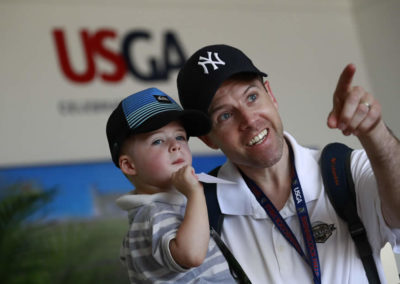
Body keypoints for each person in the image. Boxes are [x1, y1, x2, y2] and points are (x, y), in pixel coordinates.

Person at [176, 44, 400, 283]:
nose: (250, 120)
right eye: (225, 115)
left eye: (252, 97)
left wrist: (374, 133)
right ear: (208, 138)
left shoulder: (346, 171)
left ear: (271, 95)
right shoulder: (200, 214)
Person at [105, 87, 237, 283]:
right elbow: (191, 255)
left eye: (180, 137)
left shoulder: (161, 209)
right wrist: (195, 193)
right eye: (157, 140)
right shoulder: (154, 213)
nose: (175, 145)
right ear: (129, 165)